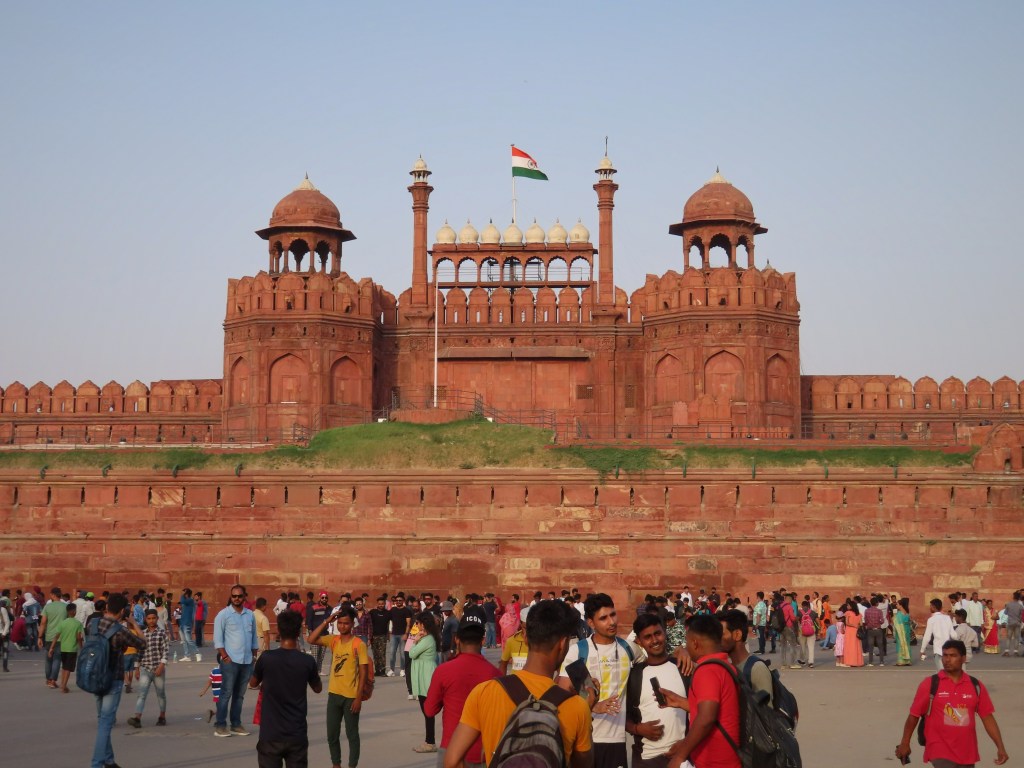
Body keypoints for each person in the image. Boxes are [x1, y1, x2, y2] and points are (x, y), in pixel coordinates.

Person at [445, 598, 593, 768]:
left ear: (525, 637)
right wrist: (587, 712)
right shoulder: (576, 707)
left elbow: (452, 761)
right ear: (563, 643)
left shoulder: (485, 691)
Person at [558, 592, 644, 768]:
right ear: (591, 623)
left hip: (616, 739)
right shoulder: (579, 651)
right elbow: (562, 693)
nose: (611, 622)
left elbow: (653, 664)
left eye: (613, 614)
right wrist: (593, 705)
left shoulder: (628, 649)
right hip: (585, 738)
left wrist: (681, 652)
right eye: (603, 618)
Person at [895, 640, 1008, 766]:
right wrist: (905, 743)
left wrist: (1000, 747)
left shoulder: (975, 685)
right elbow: (914, 716)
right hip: (939, 750)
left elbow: (987, 717)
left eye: (953, 656)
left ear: (963, 658)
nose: (947, 660)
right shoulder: (930, 684)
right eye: (945, 655)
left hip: (967, 752)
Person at [663, 614, 740, 768]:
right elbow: (720, 711)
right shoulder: (727, 666)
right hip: (729, 757)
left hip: (715, 761)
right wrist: (681, 702)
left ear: (695, 643)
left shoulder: (706, 670)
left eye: (687, 642)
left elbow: (706, 718)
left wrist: (680, 756)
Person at [249, 608, 322, 768]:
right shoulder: (307, 661)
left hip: (270, 734)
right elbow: (318, 688)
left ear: (279, 631)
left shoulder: (267, 659)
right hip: (296, 734)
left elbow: (253, 683)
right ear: (299, 632)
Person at [424, 615, 500, 768]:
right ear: (483, 640)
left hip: (451, 752)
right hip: (484, 754)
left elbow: (429, 710)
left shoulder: (443, 671)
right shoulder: (496, 675)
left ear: (457, 639)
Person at [89, 592, 146, 768]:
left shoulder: (93, 624)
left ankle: (108, 760)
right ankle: (97, 764)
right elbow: (142, 643)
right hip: (112, 678)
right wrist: (133, 623)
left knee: (102, 720)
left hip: (94, 675)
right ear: (122, 611)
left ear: (107, 607)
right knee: (105, 724)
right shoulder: (119, 630)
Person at [626, 614, 690, 768]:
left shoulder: (684, 668)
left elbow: (701, 712)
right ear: (639, 642)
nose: (654, 640)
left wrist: (686, 744)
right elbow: (621, 716)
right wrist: (638, 729)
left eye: (657, 633)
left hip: (684, 755)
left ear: (665, 633)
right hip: (646, 758)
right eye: (647, 637)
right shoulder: (634, 675)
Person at [308, 605, 368, 768]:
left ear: (352, 624)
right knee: (332, 734)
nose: (342, 626)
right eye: (340, 623)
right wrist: (327, 621)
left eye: (346, 623)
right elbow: (311, 639)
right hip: (334, 694)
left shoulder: (358, 644)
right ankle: (336, 764)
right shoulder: (333, 640)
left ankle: (352, 765)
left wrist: (359, 698)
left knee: (352, 734)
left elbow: (363, 672)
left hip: (351, 697)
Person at [213, 584, 260, 737]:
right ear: (231, 596)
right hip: (230, 660)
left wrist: (254, 656)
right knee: (226, 693)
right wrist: (224, 656)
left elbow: (253, 637)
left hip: (247, 660)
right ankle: (220, 725)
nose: (237, 599)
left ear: (244, 597)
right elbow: (218, 639)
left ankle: (236, 724)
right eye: (234, 596)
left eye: (240, 596)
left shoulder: (249, 615)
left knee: (239, 695)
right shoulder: (223, 614)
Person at [127, 608, 170, 728]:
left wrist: (162, 665)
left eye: (153, 618)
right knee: (141, 694)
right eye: (149, 619)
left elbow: (165, 651)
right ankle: (137, 718)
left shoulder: (162, 633)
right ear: (145, 620)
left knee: (160, 694)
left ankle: (162, 716)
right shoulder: (143, 634)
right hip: (145, 668)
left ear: (157, 619)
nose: (151, 621)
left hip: (158, 669)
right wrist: (136, 668)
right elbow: (139, 652)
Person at [410, 610, 441, 754]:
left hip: (426, 675)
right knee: (426, 710)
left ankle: (430, 742)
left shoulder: (427, 640)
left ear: (424, 624)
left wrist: (415, 640)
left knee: (427, 710)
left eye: (418, 623)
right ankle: (429, 740)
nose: (417, 625)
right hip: (424, 673)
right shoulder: (427, 637)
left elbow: (411, 653)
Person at [48, 602, 83, 693]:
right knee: (68, 668)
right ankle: (63, 686)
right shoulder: (78, 624)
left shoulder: (62, 623)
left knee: (64, 667)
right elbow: (79, 638)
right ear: (74, 612)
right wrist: (81, 648)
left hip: (63, 648)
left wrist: (51, 648)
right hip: (72, 649)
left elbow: (56, 636)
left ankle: (63, 684)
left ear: (67, 612)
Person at [39, 586, 66, 687]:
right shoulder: (65, 606)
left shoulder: (47, 607)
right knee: (57, 659)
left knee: (48, 659)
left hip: (49, 636)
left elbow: (43, 623)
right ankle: (53, 680)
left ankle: (48, 679)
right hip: (61, 637)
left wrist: (39, 637)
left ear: (53, 595)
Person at [921, 597, 956, 671]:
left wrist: (922, 650)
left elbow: (927, 637)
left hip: (938, 650)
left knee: (941, 673)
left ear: (933, 607)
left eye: (930, 606)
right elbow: (953, 635)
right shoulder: (947, 618)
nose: (929, 608)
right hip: (948, 650)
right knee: (948, 672)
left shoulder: (931, 620)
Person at [498, 606, 530, 674]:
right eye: (525, 628)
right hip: (515, 683)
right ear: (520, 624)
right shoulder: (512, 641)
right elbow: (503, 664)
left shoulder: (541, 642)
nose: (528, 632)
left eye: (532, 628)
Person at [388, 594, 412, 677]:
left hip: (402, 634)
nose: (398, 602)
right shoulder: (393, 610)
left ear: (403, 601)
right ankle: (391, 669)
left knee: (402, 654)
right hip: (394, 634)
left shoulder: (406, 610)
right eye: (397, 600)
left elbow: (408, 624)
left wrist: (406, 634)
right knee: (392, 653)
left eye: (400, 600)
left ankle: (402, 669)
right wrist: (389, 632)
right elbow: (388, 620)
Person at [368, 595, 390, 675]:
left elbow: (390, 624)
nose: (381, 605)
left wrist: (389, 634)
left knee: (382, 654)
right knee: (375, 653)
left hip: (383, 636)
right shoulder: (373, 612)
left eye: (382, 604)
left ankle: (383, 670)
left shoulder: (387, 613)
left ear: (385, 604)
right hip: (374, 636)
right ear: (377, 604)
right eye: (379, 604)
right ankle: (377, 670)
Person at [863, 596, 885, 666]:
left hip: (870, 630)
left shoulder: (867, 611)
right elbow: (882, 621)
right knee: (880, 646)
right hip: (878, 630)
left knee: (870, 646)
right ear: (877, 603)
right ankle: (881, 662)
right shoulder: (879, 611)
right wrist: (878, 623)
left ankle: (870, 662)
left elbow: (865, 621)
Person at [179, 587, 199, 661]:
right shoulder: (186, 601)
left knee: (188, 640)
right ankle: (187, 655)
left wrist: (183, 594)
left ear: (187, 594)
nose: (183, 594)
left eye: (184, 593)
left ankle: (197, 653)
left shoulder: (190, 600)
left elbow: (182, 600)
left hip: (187, 623)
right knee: (184, 641)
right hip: (182, 622)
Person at [842, 604, 865, 668]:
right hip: (856, 631)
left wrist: (853, 625)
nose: (847, 606)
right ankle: (858, 662)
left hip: (849, 631)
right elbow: (861, 624)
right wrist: (856, 625)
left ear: (851, 606)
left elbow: (847, 623)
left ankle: (850, 662)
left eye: (848, 605)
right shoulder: (859, 614)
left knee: (849, 646)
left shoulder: (848, 613)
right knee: (856, 646)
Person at [892, 597, 913, 666]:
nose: (896, 605)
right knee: (907, 644)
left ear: (901, 605)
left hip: (901, 631)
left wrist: (894, 617)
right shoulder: (907, 613)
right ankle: (908, 660)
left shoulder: (899, 614)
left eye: (897, 604)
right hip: (907, 630)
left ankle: (901, 661)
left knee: (901, 645)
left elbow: (895, 623)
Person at [1002, 591, 1022, 656]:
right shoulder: (1020, 606)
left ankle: (1007, 651)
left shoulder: (1008, 604)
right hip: (1017, 623)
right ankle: (1016, 651)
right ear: (1019, 598)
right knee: (1016, 638)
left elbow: (1005, 613)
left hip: (1010, 623)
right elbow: (1021, 615)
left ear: (1013, 597)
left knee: (1009, 637)